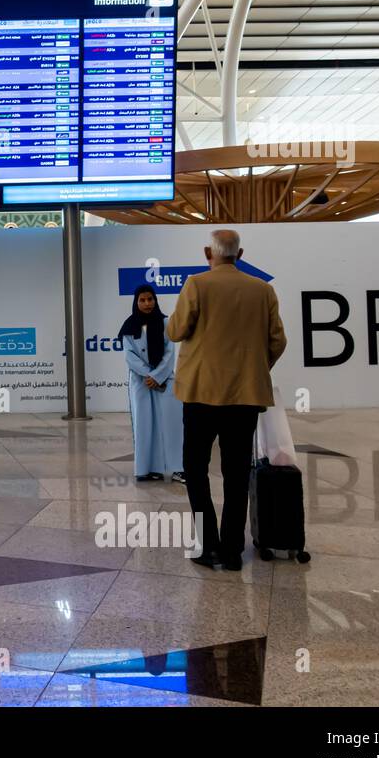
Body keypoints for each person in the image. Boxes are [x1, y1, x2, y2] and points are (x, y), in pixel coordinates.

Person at [166, 230, 286, 571]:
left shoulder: (197, 285)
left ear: (208, 252)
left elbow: (175, 331)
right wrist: (253, 369)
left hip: (201, 395)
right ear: (241, 253)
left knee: (195, 468)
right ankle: (233, 550)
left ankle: (208, 546)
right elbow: (277, 341)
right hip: (244, 397)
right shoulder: (263, 290)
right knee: (236, 473)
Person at [119, 284, 184, 484]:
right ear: (136, 302)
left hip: (164, 380)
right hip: (140, 382)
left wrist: (157, 375)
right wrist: (149, 375)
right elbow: (129, 356)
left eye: (150, 299)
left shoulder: (166, 323)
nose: (147, 304)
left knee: (172, 425)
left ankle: (178, 468)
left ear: (155, 300)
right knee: (144, 424)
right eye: (142, 300)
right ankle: (147, 469)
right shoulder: (129, 326)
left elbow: (170, 352)